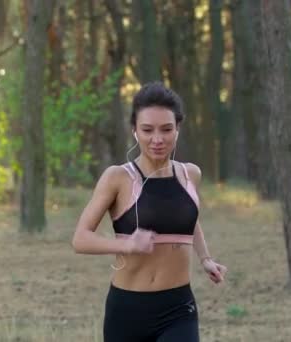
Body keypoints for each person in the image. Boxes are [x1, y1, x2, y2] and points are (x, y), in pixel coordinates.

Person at [72, 82, 227, 342]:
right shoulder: (118, 178)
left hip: (179, 307)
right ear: (134, 130)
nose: (157, 139)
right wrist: (127, 245)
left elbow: (188, 218)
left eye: (166, 129)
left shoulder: (190, 174)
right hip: (128, 309)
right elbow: (80, 239)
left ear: (178, 129)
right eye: (147, 130)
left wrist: (205, 259)